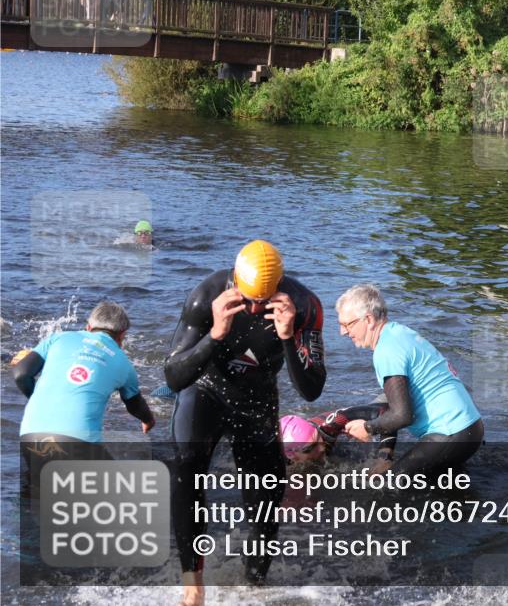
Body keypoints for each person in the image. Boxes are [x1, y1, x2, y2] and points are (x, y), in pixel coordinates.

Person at [164, 240, 326, 605]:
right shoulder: (206, 295)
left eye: (263, 301)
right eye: (248, 298)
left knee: (267, 494)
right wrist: (215, 333)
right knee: (187, 466)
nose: (254, 308)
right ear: (235, 279)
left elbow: (312, 390)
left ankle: (254, 584)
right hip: (205, 391)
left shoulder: (304, 307)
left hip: (256, 400)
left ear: (279, 287)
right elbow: (174, 377)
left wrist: (287, 338)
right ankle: (193, 586)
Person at [336, 284, 483, 477]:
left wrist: (367, 428)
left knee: (388, 488)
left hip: (451, 433)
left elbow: (402, 415)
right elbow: (391, 403)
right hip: (471, 429)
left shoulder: (387, 351)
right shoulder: (398, 333)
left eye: (348, 324)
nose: (343, 332)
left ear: (369, 319)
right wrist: (385, 457)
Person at [12, 301, 156, 490]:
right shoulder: (124, 364)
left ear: (88, 327)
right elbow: (134, 404)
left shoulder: (58, 338)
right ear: (122, 336)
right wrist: (148, 420)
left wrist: (38, 399)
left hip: (31, 434)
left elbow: (21, 374)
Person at [280, 401, 396, 470]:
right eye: (312, 447)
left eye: (318, 438)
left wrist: (384, 457)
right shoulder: (279, 458)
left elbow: (388, 415)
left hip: (393, 403)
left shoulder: (331, 423)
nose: (321, 447)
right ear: (291, 455)